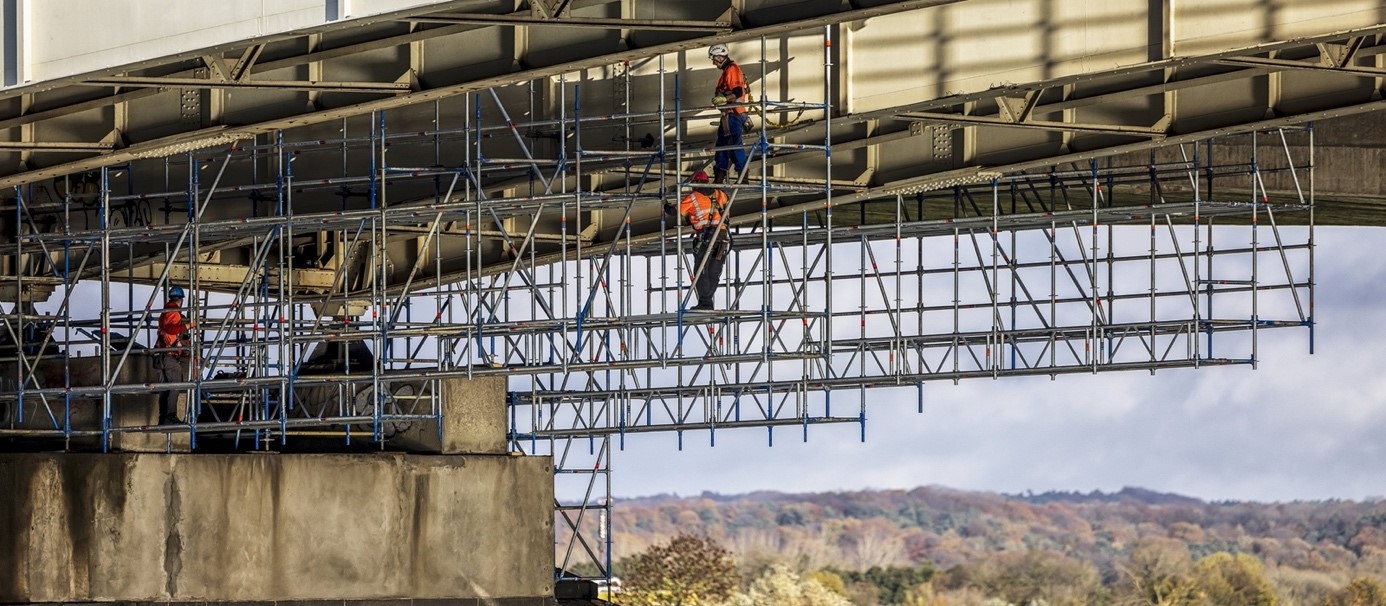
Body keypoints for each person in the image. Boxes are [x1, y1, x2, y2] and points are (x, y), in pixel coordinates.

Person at [668, 171, 730, 311]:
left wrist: (665, 205)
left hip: (706, 236)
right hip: (721, 236)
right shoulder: (719, 194)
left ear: (694, 184)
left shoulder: (693, 197)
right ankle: (707, 301)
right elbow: (727, 202)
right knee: (714, 270)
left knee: (701, 270)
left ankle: (705, 302)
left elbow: (674, 212)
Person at [708, 44, 750, 184]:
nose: (714, 62)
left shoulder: (732, 69)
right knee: (721, 145)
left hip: (733, 113)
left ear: (720, 57)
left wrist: (725, 99)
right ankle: (719, 175)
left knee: (734, 144)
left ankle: (742, 175)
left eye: (714, 59)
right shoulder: (727, 71)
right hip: (728, 114)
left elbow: (738, 91)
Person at [154, 286, 192, 425]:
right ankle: (170, 417)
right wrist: (187, 326)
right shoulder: (173, 311)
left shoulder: (166, 312)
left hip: (161, 355)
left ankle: (163, 418)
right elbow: (171, 329)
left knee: (164, 389)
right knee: (175, 386)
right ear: (181, 300)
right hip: (169, 356)